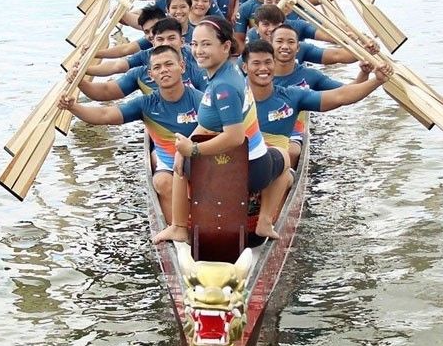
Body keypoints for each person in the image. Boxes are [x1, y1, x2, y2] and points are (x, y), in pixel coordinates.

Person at [153, 16, 289, 243]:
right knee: (283, 159)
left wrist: (193, 150)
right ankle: (265, 221)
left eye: (206, 44)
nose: (198, 50)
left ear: (226, 46)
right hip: (249, 164)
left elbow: (235, 137)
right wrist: (184, 147)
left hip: (244, 170)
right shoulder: (230, 72)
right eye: (195, 44)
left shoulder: (222, 86)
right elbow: (208, 124)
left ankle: (178, 226)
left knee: (179, 167)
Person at [58, 45, 203, 222]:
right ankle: (178, 231)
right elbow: (105, 115)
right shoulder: (146, 105)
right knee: (162, 182)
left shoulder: (201, 100)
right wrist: (72, 107)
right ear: (150, 75)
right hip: (170, 168)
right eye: (157, 67)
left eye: (169, 64)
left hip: (202, 161)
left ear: (182, 67)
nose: (164, 70)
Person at [242, 39, 392, 170]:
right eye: (256, 63)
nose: (263, 68)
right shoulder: (231, 96)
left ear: (274, 64)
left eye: (268, 62)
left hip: (273, 167)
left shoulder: (293, 95)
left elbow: (341, 95)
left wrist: (376, 80)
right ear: (244, 67)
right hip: (236, 165)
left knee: (289, 158)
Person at [76, 17, 207, 99]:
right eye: (160, 39)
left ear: (182, 41)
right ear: (153, 43)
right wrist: (81, 74)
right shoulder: (142, 71)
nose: (166, 43)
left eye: (171, 38)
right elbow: (107, 90)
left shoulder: (197, 63)